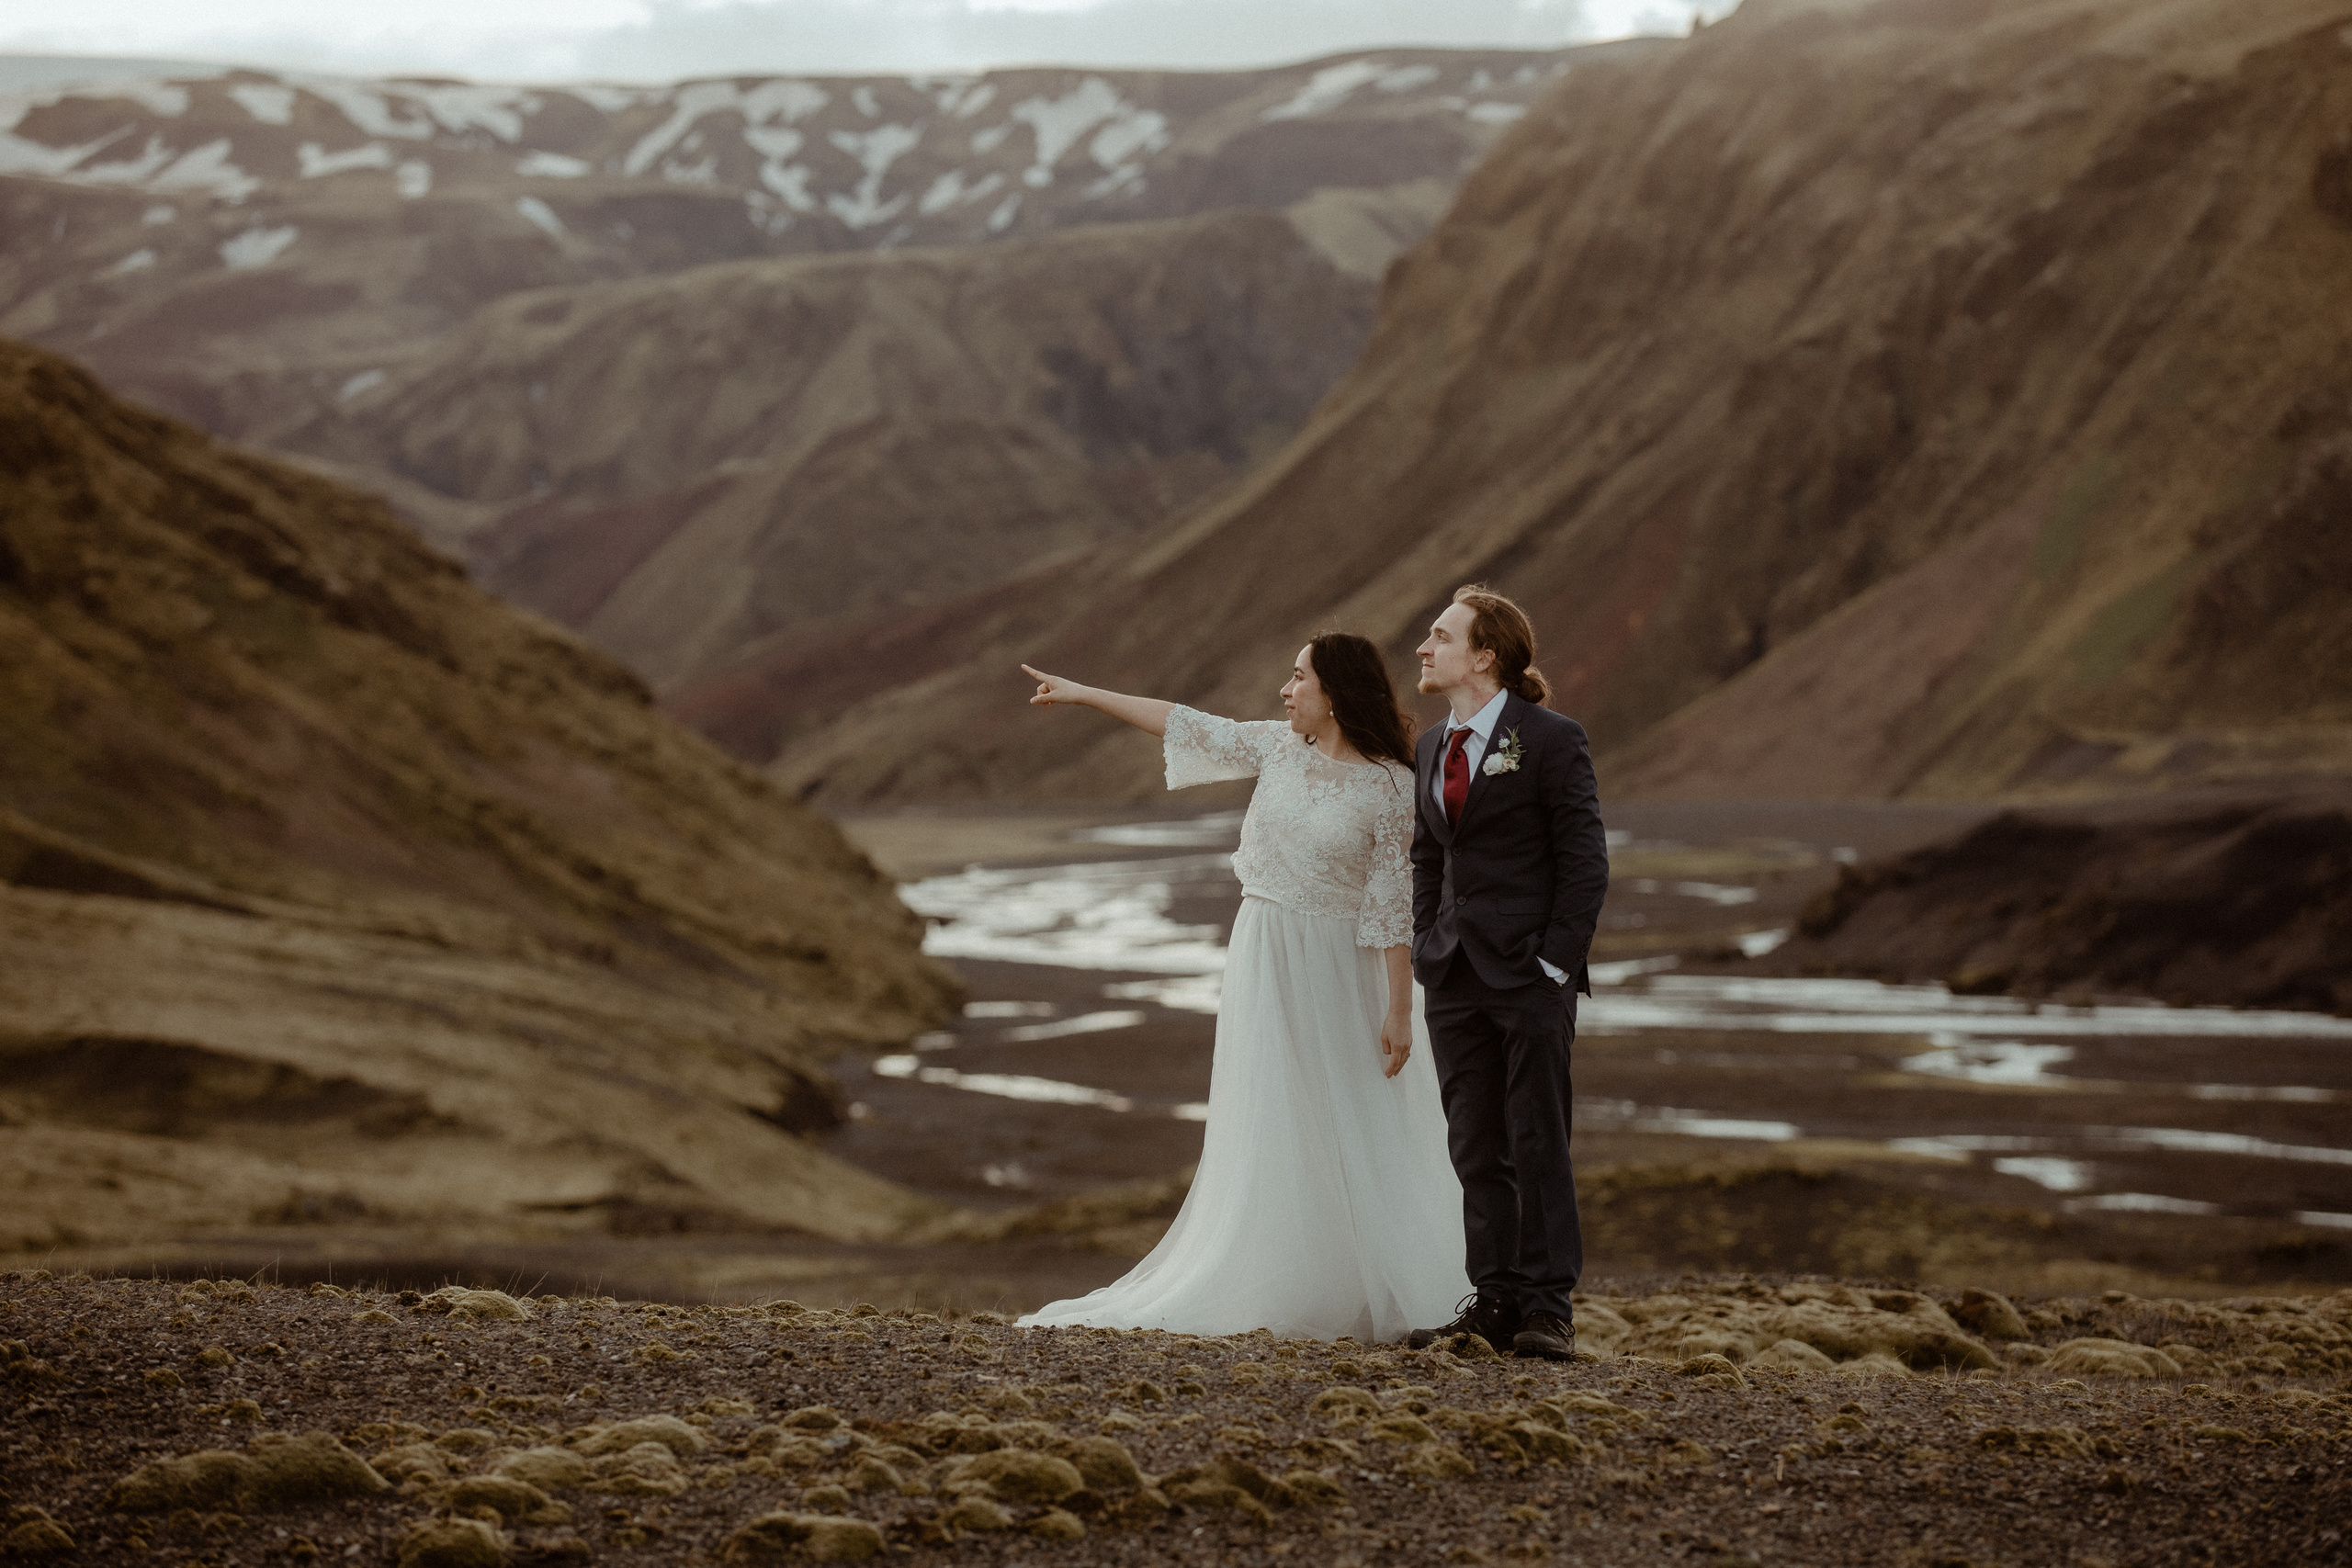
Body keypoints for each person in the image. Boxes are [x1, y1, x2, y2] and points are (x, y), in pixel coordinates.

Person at [1012, 634, 1469, 1340]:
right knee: (1272, 1112)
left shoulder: (1389, 785)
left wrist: (1400, 1009)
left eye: (1297, 678)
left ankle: (1381, 1282)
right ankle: (1284, 1278)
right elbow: (1184, 721)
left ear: (1336, 692)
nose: (1285, 691)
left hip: (1341, 970)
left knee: (1355, 1115)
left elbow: (1392, 907)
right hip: (1264, 954)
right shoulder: (1275, 747)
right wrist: (1085, 694)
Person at [1405, 584, 1610, 1361]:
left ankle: (1546, 1308)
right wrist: (1428, 941)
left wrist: (1554, 962)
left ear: (1483, 654)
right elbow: (1430, 856)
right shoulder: (1430, 747)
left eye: (1440, 635)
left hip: (1530, 976)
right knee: (1474, 1143)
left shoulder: (1552, 738)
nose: (1423, 648)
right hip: (1452, 977)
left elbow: (1585, 863)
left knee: (1537, 1137)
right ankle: (1493, 1297)